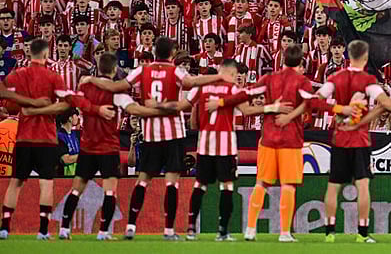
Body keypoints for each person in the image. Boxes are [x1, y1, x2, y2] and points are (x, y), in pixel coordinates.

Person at [80, 36, 227, 240]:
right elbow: (191, 82)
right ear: (172, 53)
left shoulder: (143, 70)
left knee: (142, 181)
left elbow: (116, 86)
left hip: (150, 134)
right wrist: (218, 76)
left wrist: (92, 79)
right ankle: (168, 230)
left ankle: (131, 226)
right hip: (174, 134)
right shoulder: (175, 70)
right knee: (172, 183)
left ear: (155, 51)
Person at [39, 52, 177, 240]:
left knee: (76, 189)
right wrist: (160, 109)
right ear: (114, 70)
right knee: (110, 191)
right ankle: (103, 232)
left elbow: (72, 98)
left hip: (87, 147)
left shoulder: (86, 87)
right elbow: (135, 110)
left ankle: (64, 228)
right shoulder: (117, 93)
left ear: (98, 67)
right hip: (108, 148)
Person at [315, 39, 391, 243]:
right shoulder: (368, 81)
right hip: (360, 141)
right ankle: (362, 233)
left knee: (333, 185)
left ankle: (329, 233)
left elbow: (315, 100)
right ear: (365, 57)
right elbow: (386, 103)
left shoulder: (336, 77)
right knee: (363, 186)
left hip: (339, 139)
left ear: (348, 55)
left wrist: (338, 109)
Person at [186, 59, 290, 241]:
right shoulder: (232, 89)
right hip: (225, 145)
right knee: (226, 186)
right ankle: (222, 232)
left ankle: (190, 229)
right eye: (235, 76)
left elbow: (186, 106)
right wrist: (273, 108)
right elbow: (247, 111)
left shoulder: (201, 87)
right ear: (232, 73)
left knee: (200, 185)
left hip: (204, 144)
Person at [0, 38, 78, 240]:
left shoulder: (18, 74)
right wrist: (40, 106)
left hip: (24, 137)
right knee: (46, 183)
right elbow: (67, 103)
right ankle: (43, 231)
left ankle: (4, 228)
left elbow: (2, 91)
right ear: (46, 54)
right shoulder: (53, 77)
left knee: (16, 182)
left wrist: (28, 106)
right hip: (46, 139)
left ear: (30, 52)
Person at [242, 42, 314, 242]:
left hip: (268, 138)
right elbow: (311, 103)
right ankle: (284, 233)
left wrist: (267, 108)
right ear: (300, 62)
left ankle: (250, 229)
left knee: (261, 183)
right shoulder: (302, 81)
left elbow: (246, 94)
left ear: (282, 59)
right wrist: (290, 116)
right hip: (291, 139)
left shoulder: (269, 78)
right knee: (288, 185)